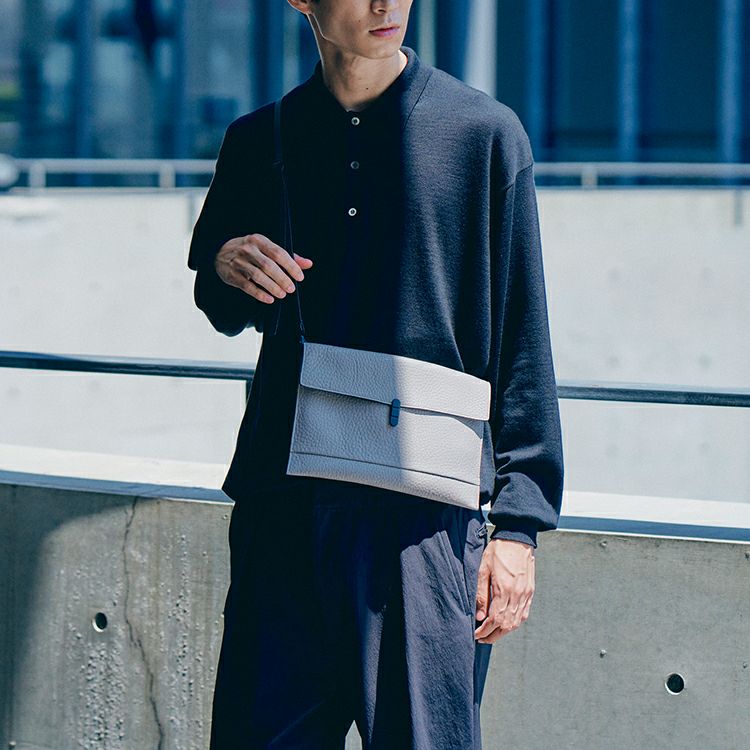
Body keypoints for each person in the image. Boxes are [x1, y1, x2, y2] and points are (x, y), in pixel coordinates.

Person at [187, 1, 564, 747]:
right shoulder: (260, 138)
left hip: (423, 518)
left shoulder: (484, 135)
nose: (388, 4)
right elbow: (221, 306)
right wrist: (227, 265)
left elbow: (522, 335)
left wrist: (519, 526)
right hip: (284, 500)